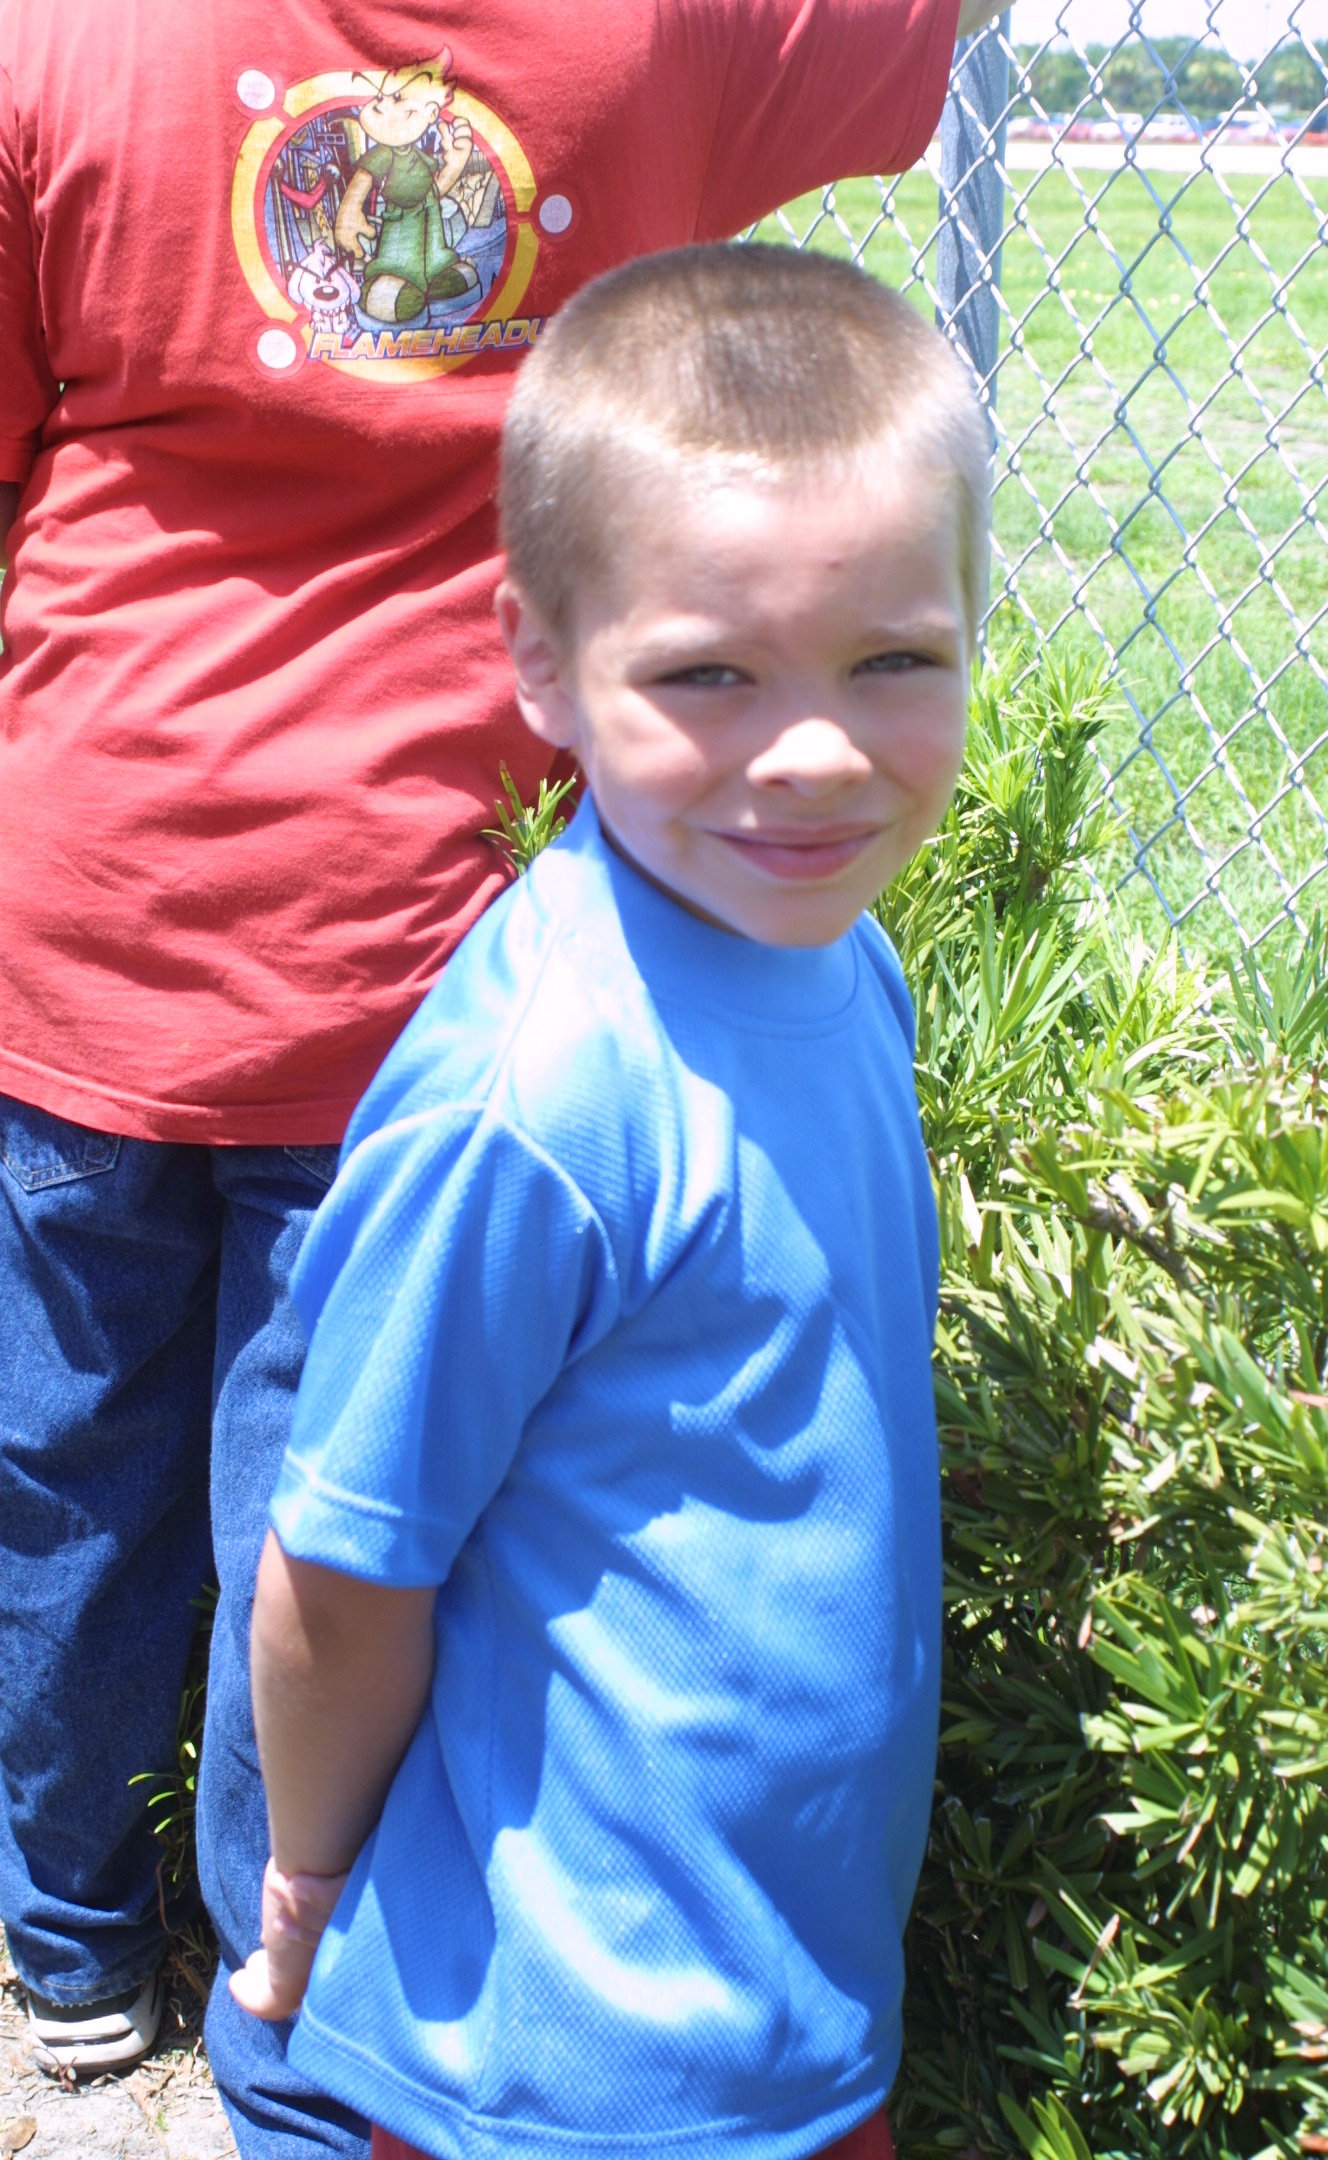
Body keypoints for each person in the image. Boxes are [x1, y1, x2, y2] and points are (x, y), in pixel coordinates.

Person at [0, 1, 1000, 2151]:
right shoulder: (658, 32)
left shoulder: (56, 34)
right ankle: (294, 2010)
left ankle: (73, 1952)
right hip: (409, 935)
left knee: (71, 1470)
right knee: (333, 1502)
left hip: (98, 884)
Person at [227, 240, 989, 2160]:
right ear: (543, 661)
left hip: (785, 1994)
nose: (811, 754)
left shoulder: (841, 955)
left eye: (895, 659)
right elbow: (345, 1563)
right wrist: (307, 1873)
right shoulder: (540, 1095)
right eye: (706, 674)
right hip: (559, 2054)